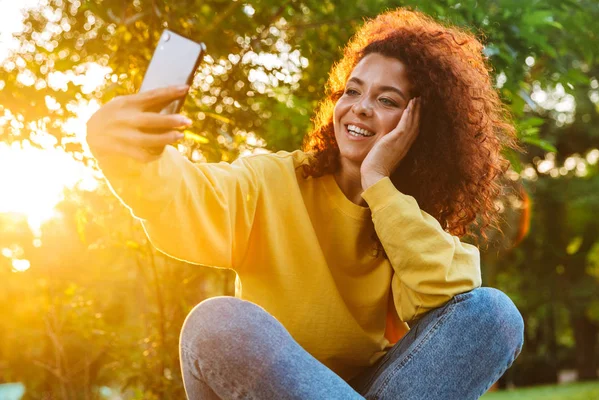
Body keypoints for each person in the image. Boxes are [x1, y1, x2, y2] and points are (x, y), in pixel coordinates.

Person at [86, 8, 524, 400]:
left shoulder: (402, 214)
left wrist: (377, 183)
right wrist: (127, 157)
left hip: (373, 388)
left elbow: (455, 302)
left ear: (418, 127)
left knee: (496, 313)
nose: (360, 109)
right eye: (352, 92)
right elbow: (189, 197)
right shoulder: (275, 180)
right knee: (215, 322)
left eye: (386, 100)